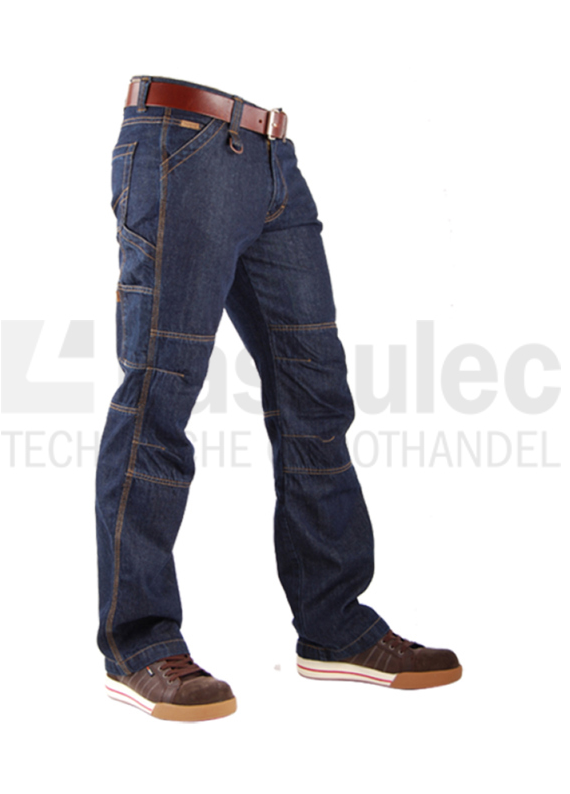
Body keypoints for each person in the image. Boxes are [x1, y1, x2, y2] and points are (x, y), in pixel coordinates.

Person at [96, 75, 462, 722]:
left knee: (315, 395)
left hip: (272, 157)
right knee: (161, 394)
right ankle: (139, 644)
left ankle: (334, 625)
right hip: (182, 142)